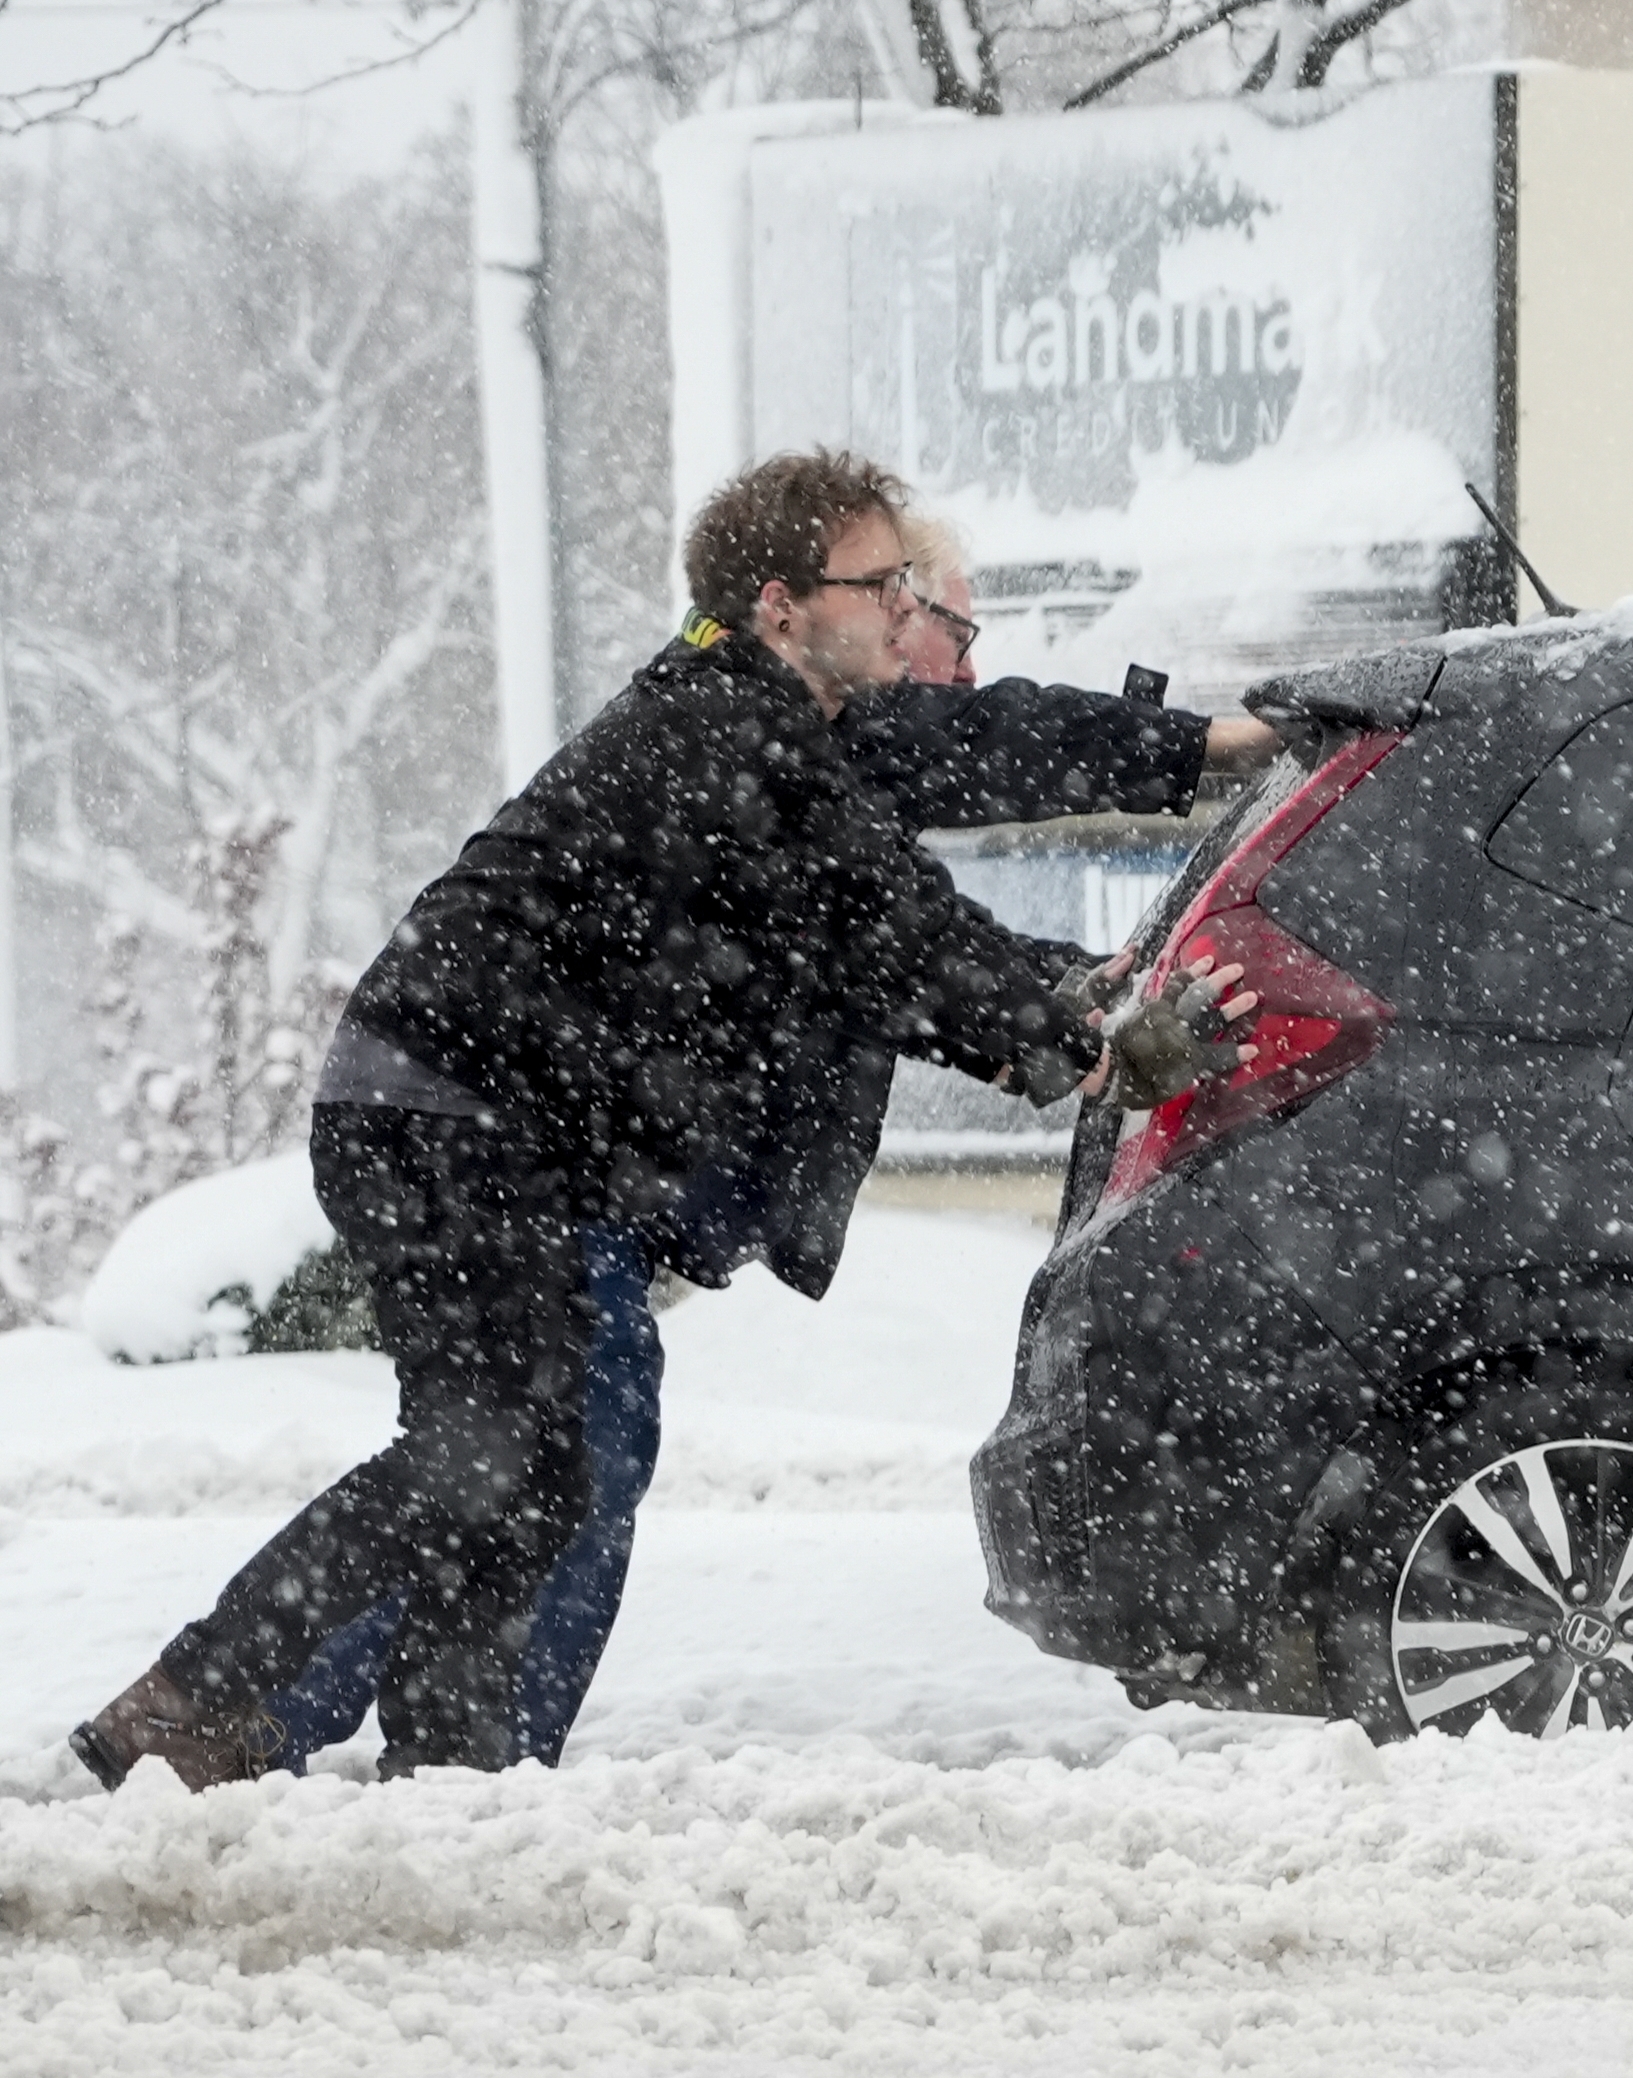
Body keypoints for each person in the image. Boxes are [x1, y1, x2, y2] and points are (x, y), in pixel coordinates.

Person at [67, 451, 1199, 1789]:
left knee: (532, 1469)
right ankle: (200, 1696)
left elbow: (888, 924)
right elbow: (898, 933)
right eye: (881, 581)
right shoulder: (734, 731)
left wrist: (1072, 1002)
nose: (904, 606)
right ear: (783, 603)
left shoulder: (765, 722)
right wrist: (1086, 1039)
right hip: (449, 1117)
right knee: (493, 1453)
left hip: (472, 1121)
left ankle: (450, 1761)